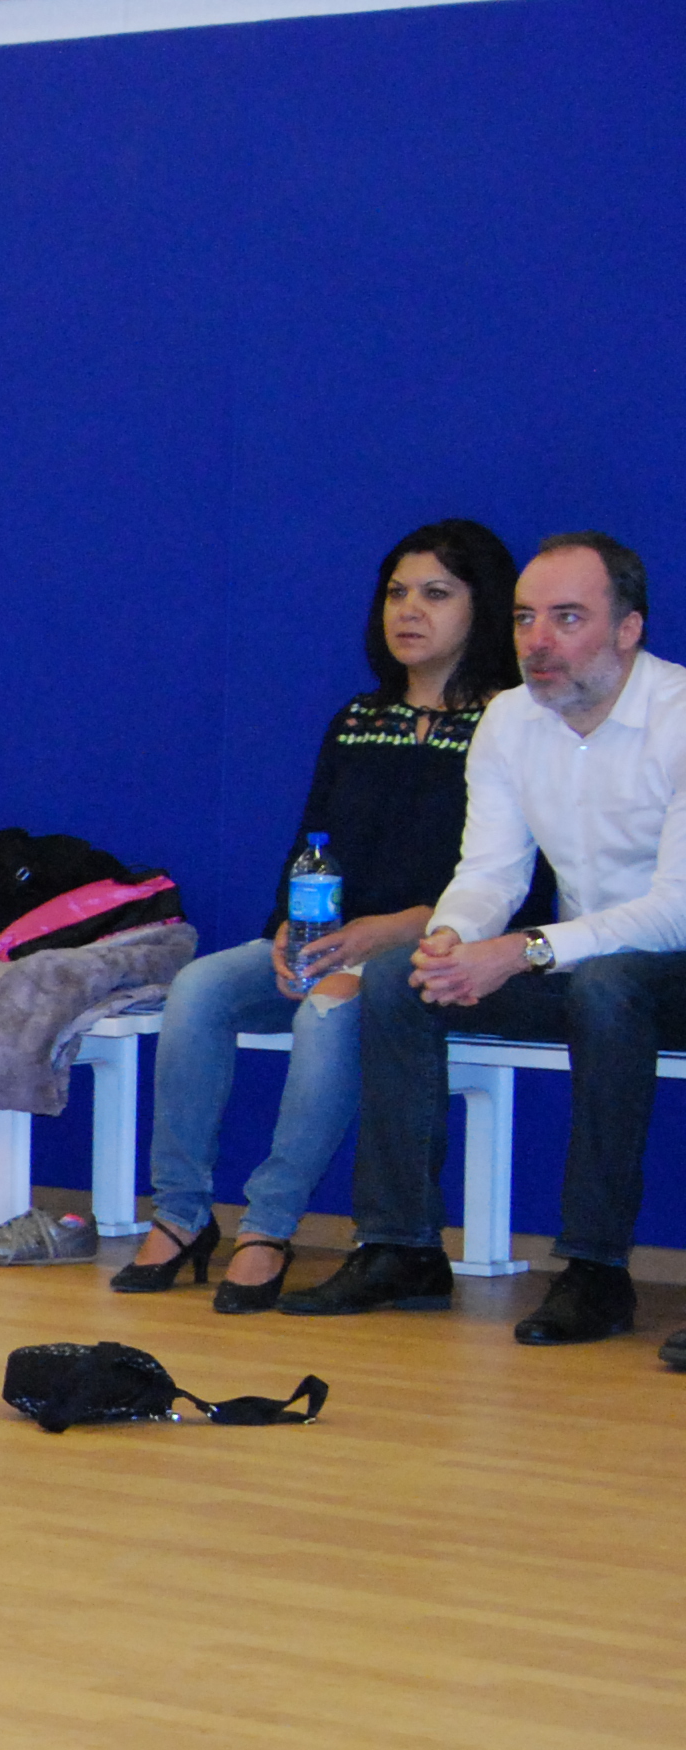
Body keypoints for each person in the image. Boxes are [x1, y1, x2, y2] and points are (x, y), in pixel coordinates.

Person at [286, 533, 686, 1350]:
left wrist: (523, 949)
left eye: (567, 618)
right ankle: (401, 1246)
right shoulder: (509, 718)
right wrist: (451, 940)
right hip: (576, 964)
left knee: (610, 986)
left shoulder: (677, 719)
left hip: (657, 969)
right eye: (525, 618)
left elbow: (675, 911)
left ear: (628, 629)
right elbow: (491, 873)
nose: (537, 640)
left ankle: (596, 1269)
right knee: (399, 978)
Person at [118, 522, 517, 1311]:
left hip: (430, 952)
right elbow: (313, 845)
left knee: (331, 1010)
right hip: (331, 937)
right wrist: (285, 932)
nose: (409, 610)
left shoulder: (510, 725)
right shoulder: (358, 718)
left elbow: (514, 884)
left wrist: (389, 931)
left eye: (436, 594)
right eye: (397, 593)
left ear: (485, 607)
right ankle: (181, 1213)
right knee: (200, 988)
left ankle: (268, 1226)